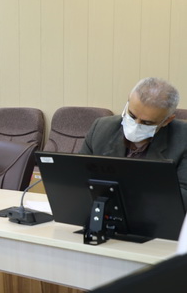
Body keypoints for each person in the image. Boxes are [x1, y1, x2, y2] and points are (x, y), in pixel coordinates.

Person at [80, 76, 187, 207]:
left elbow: (182, 195)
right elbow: (79, 176)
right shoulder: (101, 128)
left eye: (147, 123)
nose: (136, 124)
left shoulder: (183, 139)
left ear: (167, 120)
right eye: (132, 115)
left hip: (155, 213)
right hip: (103, 208)